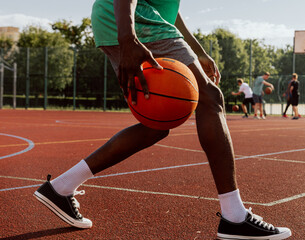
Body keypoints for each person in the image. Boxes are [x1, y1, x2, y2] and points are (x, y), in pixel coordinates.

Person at [33, 1, 291, 239]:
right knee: (211, 99)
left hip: (126, 20)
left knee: (156, 126)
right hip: (137, 22)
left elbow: (171, 8)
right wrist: (128, 38)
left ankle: (60, 187)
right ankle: (234, 217)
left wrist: (197, 50)